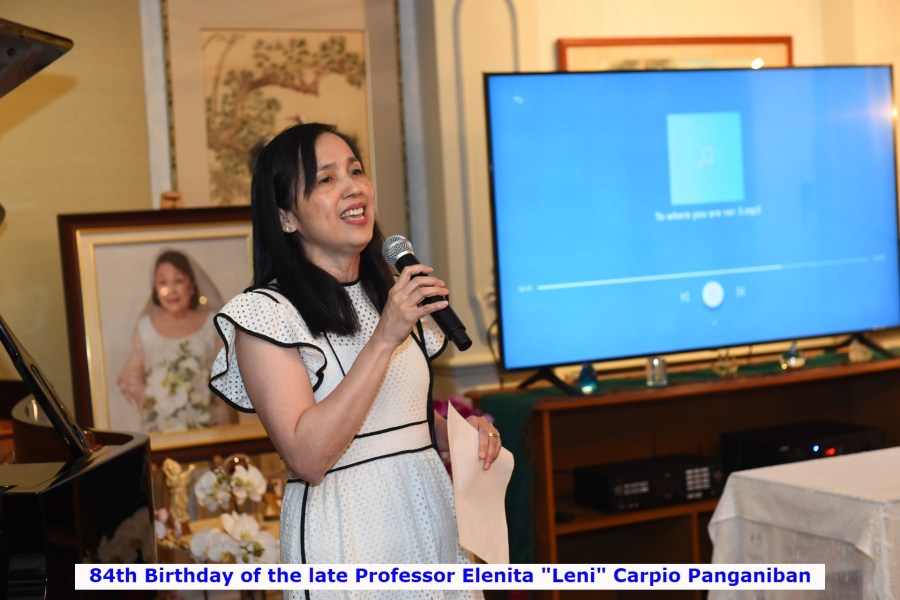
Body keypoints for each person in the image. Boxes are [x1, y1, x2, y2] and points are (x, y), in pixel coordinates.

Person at [209, 122, 502, 597]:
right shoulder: (265, 315)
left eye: (356, 171)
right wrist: (384, 338)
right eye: (326, 179)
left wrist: (459, 437)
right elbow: (307, 456)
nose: (353, 188)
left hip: (428, 514)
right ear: (286, 218)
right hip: (346, 529)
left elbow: (393, 417)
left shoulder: (389, 295)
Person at [118, 249, 234, 433]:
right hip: (163, 427)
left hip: (207, 424)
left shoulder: (213, 324)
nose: (171, 290)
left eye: (178, 281)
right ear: (155, 289)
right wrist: (160, 401)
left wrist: (202, 398)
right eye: (163, 282)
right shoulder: (146, 328)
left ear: (192, 285)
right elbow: (128, 378)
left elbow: (229, 374)